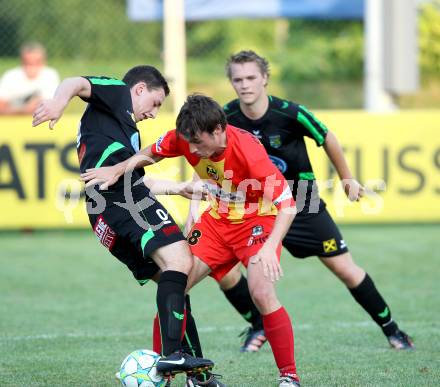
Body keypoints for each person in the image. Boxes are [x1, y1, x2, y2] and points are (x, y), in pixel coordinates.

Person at [81, 94, 302, 387]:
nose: (193, 150)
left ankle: (289, 376)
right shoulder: (186, 137)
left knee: (261, 293)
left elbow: (288, 205)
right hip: (217, 223)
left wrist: (272, 247)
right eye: (189, 143)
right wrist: (118, 169)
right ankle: (176, 371)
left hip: (257, 222)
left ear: (218, 131)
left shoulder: (249, 151)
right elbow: (152, 152)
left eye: (199, 142)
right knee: (175, 285)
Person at [210, 50, 413, 352]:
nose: (245, 84)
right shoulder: (226, 119)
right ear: (231, 83)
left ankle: (392, 330)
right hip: (255, 209)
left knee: (345, 269)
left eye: (251, 77)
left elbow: (327, 136)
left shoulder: (289, 113)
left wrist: (347, 179)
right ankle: (258, 325)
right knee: (223, 270)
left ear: (264, 78)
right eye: (238, 79)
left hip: (302, 204)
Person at [31, 66, 216, 382]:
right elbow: (76, 82)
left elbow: (128, 174)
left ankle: (197, 375)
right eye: (155, 103)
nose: (154, 113)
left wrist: (179, 188)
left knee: (175, 282)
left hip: (105, 212)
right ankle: (173, 356)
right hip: (121, 201)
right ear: (140, 88)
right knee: (180, 261)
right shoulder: (118, 93)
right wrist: (58, 102)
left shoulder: (117, 126)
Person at [0, 42, 59, 115]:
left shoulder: (50, 76)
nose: (32, 66)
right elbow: (1, 107)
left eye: (37, 62)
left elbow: (52, 107)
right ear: (22, 61)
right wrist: (24, 110)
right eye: (28, 62)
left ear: (44, 61)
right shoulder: (10, 76)